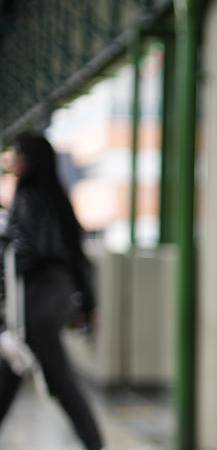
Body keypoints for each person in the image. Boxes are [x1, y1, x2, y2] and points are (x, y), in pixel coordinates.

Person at [0, 132, 103, 450]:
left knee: (54, 375)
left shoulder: (28, 197)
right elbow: (76, 256)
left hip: (38, 303)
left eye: (18, 154)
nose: (13, 161)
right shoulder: (55, 197)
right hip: (54, 298)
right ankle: (95, 442)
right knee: (12, 370)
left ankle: (95, 443)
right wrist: (87, 303)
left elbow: (26, 250)